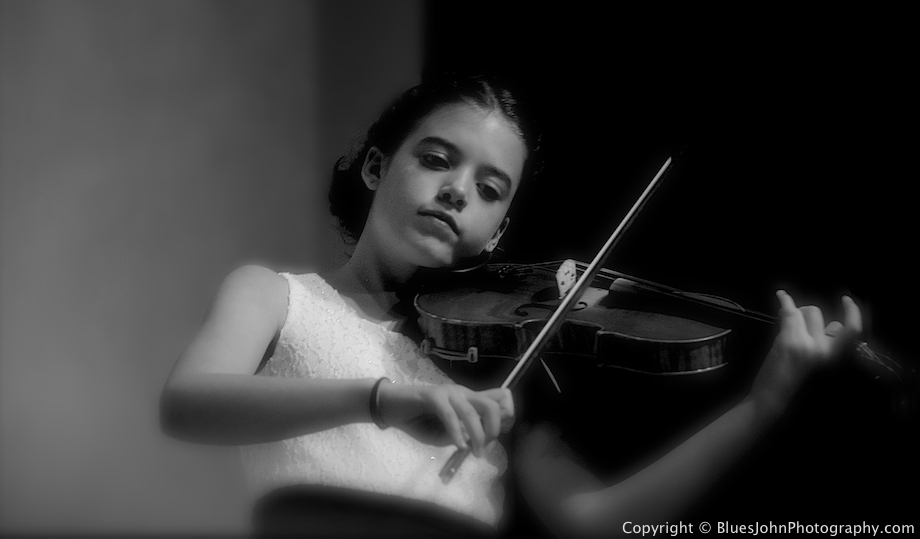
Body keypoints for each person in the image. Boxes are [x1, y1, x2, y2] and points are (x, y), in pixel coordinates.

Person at [160, 72, 863, 537]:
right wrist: (383, 399)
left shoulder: (503, 370)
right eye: (436, 159)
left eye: (490, 188)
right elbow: (188, 405)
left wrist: (760, 404)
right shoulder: (276, 296)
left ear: (496, 232)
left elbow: (594, 520)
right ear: (377, 167)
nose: (458, 190)